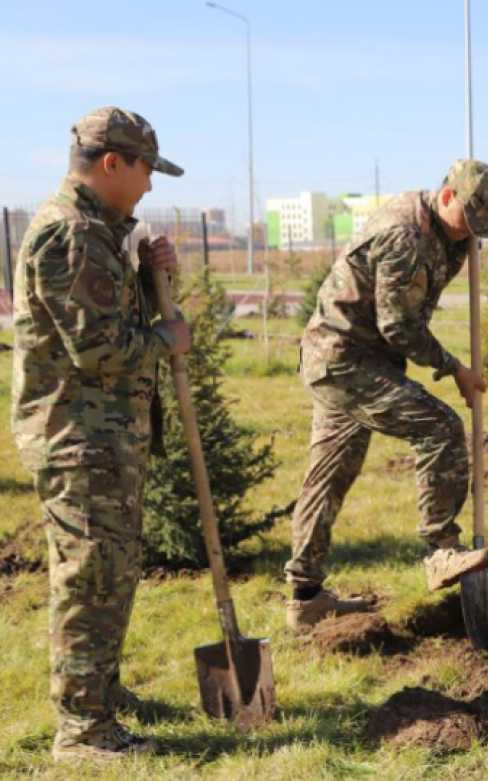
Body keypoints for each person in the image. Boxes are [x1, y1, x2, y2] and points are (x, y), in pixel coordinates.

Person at [11, 107, 191, 761]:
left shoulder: (99, 232)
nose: (148, 186)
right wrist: (165, 338)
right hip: (77, 437)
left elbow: (106, 317)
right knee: (90, 577)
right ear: (112, 162)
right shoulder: (69, 234)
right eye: (145, 170)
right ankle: (82, 731)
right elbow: (97, 347)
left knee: (111, 572)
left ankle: (99, 694)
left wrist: (149, 278)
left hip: (105, 435)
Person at [285, 159, 488, 632]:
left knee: (329, 476)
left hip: (351, 357)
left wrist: (464, 243)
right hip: (344, 359)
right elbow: (398, 325)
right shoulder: (405, 234)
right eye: (470, 220)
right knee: (440, 427)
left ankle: (305, 598)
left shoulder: (448, 234)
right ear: (447, 197)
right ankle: (440, 549)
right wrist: (454, 369)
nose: (473, 233)